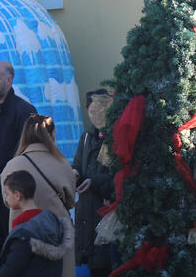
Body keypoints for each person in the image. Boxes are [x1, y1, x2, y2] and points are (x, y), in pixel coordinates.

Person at [0, 61, 38, 267]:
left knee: (13, 257)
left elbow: (28, 156)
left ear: (9, 80)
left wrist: (16, 196)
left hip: (13, 200)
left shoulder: (24, 111)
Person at [0, 114, 76, 277]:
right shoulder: (62, 163)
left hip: (23, 237)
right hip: (57, 238)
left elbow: (7, 201)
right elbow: (70, 201)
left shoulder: (12, 165)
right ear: (52, 134)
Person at [0, 170, 72, 277]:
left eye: (7, 194)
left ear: (17, 195)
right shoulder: (51, 221)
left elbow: (14, 265)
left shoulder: (22, 226)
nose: (6, 198)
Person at [72, 90, 115, 277]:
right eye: (90, 108)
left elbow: (118, 177)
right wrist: (73, 174)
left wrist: (94, 182)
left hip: (105, 213)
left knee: (105, 263)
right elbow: (77, 165)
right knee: (93, 264)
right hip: (86, 211)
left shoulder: (115, 138)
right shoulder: (87, 137)